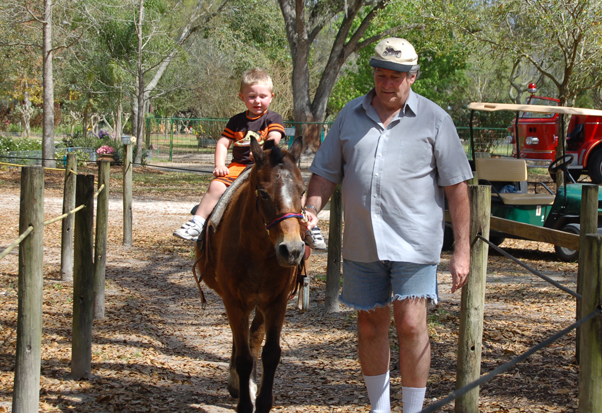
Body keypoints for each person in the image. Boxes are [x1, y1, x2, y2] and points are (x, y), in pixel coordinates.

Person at [303, 38, 472, 413]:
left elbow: (458, 188)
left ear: (412, 76)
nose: (387, 83)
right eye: (381, 75)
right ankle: (379, 409)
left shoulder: (435, 119)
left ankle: (412, 410)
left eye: (396, 76)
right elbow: (325, 173)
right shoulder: (349, 115)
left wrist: (462, 250)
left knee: (411, 325)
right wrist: (311, 210)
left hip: (415, 243)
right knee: (370, 326)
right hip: (363, 243)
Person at [174, 68, 288, 241]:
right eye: (251, 96)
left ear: (271, 96)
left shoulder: (273, 118)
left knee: (289, 188)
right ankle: (198, 222)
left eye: (263, 96)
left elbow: (274, 138)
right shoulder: (236, 121)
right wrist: (220, 165)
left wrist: (261, 152)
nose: (257, 101)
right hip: (238, 166)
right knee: (216, 186)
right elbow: (223, 143)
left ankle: (307, 225)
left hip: (264, 166)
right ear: (242, 97)